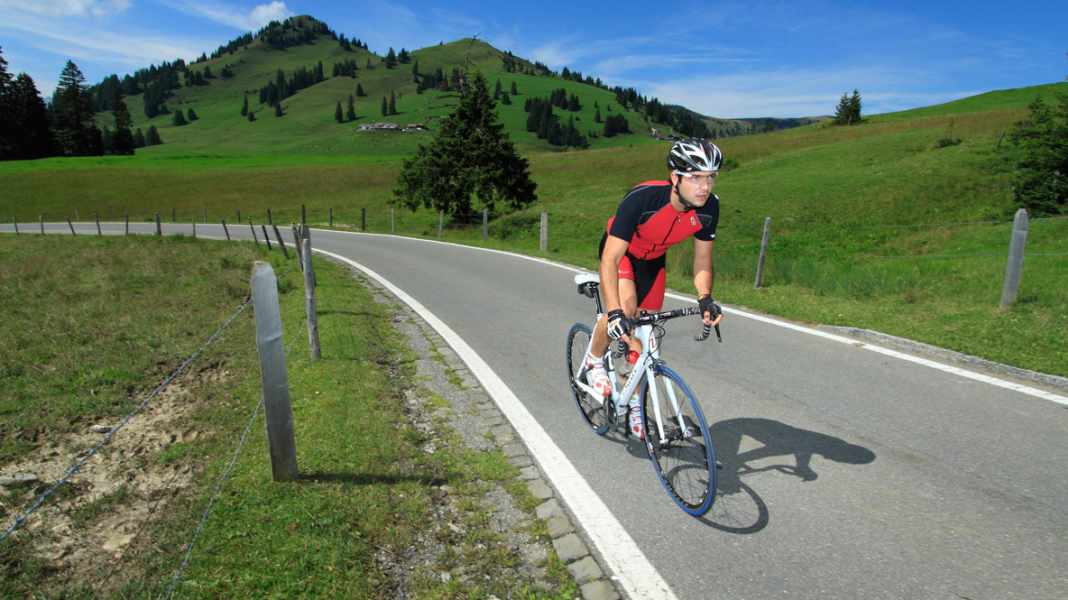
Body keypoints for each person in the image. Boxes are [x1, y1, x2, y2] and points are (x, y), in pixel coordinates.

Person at [585, 138, 725, 439]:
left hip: (652, 261)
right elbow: (610, 259)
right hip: (622, 255)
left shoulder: (709, 208)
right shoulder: (643, 199)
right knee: (627, 311)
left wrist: (705, 298)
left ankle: (635, 404)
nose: (705, 186)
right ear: (675, 177)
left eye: (710, 177)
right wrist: (614, 312)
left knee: (648, 339)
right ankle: (593, 360)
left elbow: (702, 261)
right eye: (695, 177)